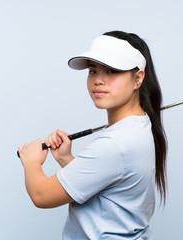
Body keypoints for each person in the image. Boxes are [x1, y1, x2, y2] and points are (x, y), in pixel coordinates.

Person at [18, 30, 167, 239]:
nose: (99, 80)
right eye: (93, 71)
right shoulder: (137, 127)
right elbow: (107, 195)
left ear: (138, 79)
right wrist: (65, 159)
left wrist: (31, 161)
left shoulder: (117, 143)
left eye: (112, 71)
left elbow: (40, 195)